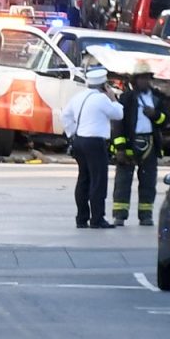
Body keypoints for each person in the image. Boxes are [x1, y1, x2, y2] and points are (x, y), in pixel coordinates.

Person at [62, 67, 124, 229]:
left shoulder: (78, 97)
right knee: (98, 180)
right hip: (95, 143)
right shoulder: (102, 99)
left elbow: (65, 115)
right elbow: (118, 114)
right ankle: (97, 218)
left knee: (83, 179)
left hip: (80, 141)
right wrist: (114, 99)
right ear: (104, 86)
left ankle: (81, 218)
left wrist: (72, 132)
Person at [111, 61, 167, 227]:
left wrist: (155, 115)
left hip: (150, 144)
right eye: (141, 78)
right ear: (135, 80)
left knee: (148, 182)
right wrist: (120, 149)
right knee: (123, 181)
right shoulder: (127, 98)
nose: (144, 81)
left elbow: (166, 121)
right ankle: (120, 215)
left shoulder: (157, 98)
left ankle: (145, 215)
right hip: (130, 144)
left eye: (146, 78)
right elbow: (118, 124)